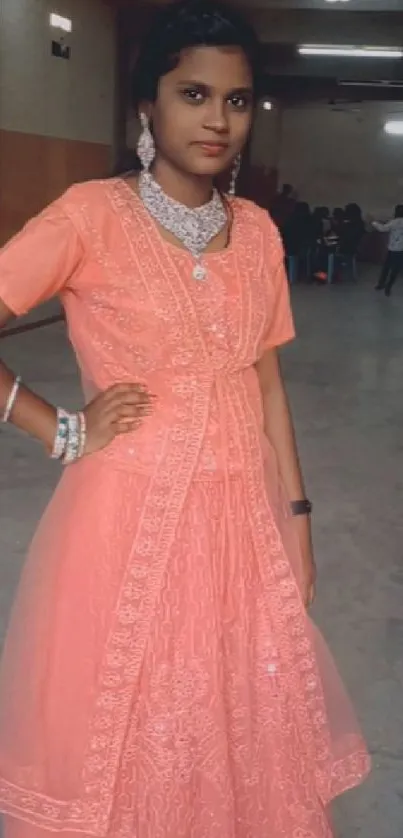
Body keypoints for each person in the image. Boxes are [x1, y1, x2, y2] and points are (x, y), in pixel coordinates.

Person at [0, 2, 370, 838]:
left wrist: (298, 521)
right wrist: (58, 426)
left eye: (236, 101)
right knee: (134, 737)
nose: (216, 119)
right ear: (147, 104)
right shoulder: (90, 217)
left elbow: (265, 387)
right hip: (126, 529)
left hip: (242, 530)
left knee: (242, 731)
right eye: (193, 93)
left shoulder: (260, 235)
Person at [373, 204, 403, 296]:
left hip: (392, 249)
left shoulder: (394, 222)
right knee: (395, 270)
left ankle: (381, 284)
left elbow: (382, 229)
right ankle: (389, 286)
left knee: (386, 268)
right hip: (401, 250)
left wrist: (374, 222)